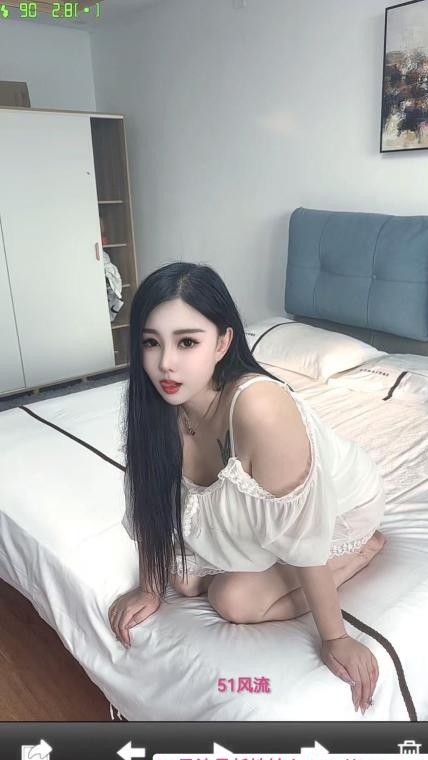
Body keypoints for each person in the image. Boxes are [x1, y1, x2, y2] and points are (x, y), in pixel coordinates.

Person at [109, 261, 387, 716]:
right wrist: (149, 588)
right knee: (182, 579)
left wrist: (336, 637)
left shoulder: (259, 408)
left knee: (232, 600)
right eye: (151, 342)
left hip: (338, 508)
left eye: (187, 342)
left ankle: (364, 548)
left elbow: (302, 532)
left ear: (223, 342)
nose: (165, 363)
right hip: (262, 508)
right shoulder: (158, 402)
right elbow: (150, 496)